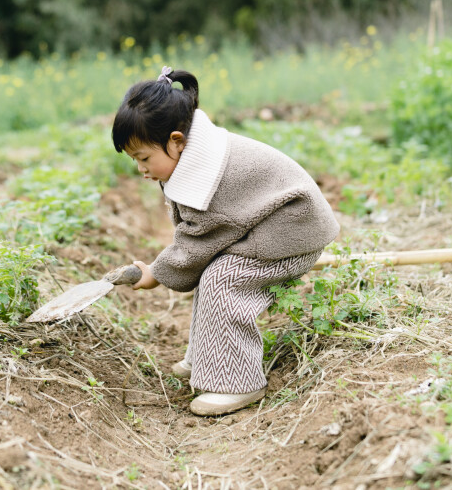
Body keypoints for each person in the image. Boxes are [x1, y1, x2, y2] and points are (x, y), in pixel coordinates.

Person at [112, 66, 340, 416]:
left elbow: (196, 243)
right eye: (134, 160)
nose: (140, 168)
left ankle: (239, 383)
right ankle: (206, 358)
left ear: (176, 141)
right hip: (268, 225)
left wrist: (155, 272)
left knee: (225, 279)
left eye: (144, 158)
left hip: (292, 229)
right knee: (215, 273)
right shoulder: (195, 157)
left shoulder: (210, 179)